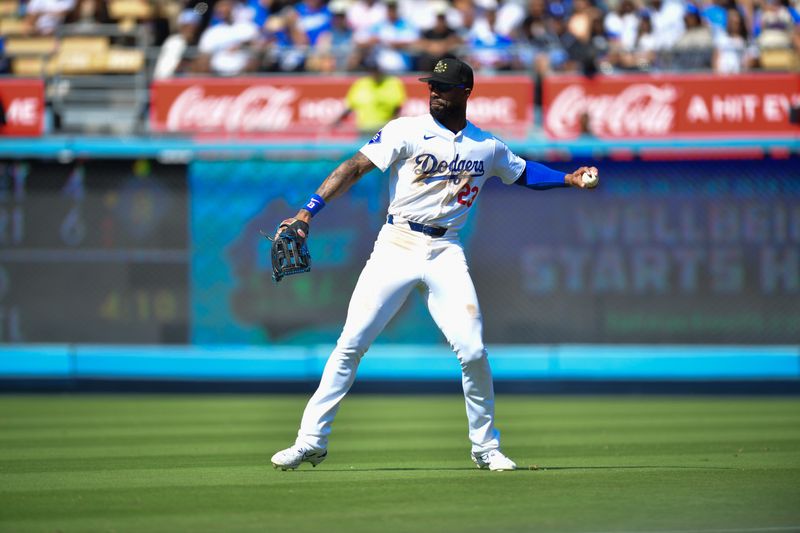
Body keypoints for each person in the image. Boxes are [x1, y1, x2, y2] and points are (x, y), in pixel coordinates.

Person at [270, 57, 599, 472]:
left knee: (473, 350)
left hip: (446, 251)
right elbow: (355, 167)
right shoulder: (405, 129)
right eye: (431, 86)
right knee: (350, 343)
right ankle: (310, 441)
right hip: (396, 243)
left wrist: (568, 178)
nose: (435, 93)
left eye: (443, 87)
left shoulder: (487, 145)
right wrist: (307, 212)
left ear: (466, 92)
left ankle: (485, 448)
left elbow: (523, 171)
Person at [330, 52, 406, 136]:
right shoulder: (361, 83)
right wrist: (337, 121)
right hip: (364, 129)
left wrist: (391, 128)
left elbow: (398, 108)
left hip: (384, 129)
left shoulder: (393, 83)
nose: (374, 72)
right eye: (371, 69)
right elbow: (350, 106)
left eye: (376, 69)